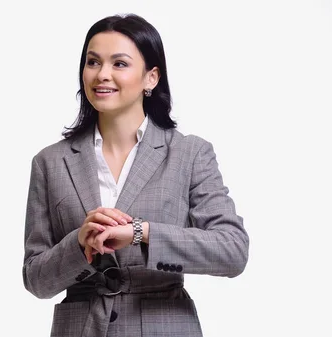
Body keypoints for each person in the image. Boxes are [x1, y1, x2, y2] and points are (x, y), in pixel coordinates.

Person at [22, 13, 249, 337]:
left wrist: (142, 233)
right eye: (93, 62)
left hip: (163, 325)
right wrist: (78, 243)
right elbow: (35, 279)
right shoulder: (49, 162)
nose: (102, 75)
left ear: (151, 78)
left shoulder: (190, 153)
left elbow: (232, 250)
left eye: (119, 64)